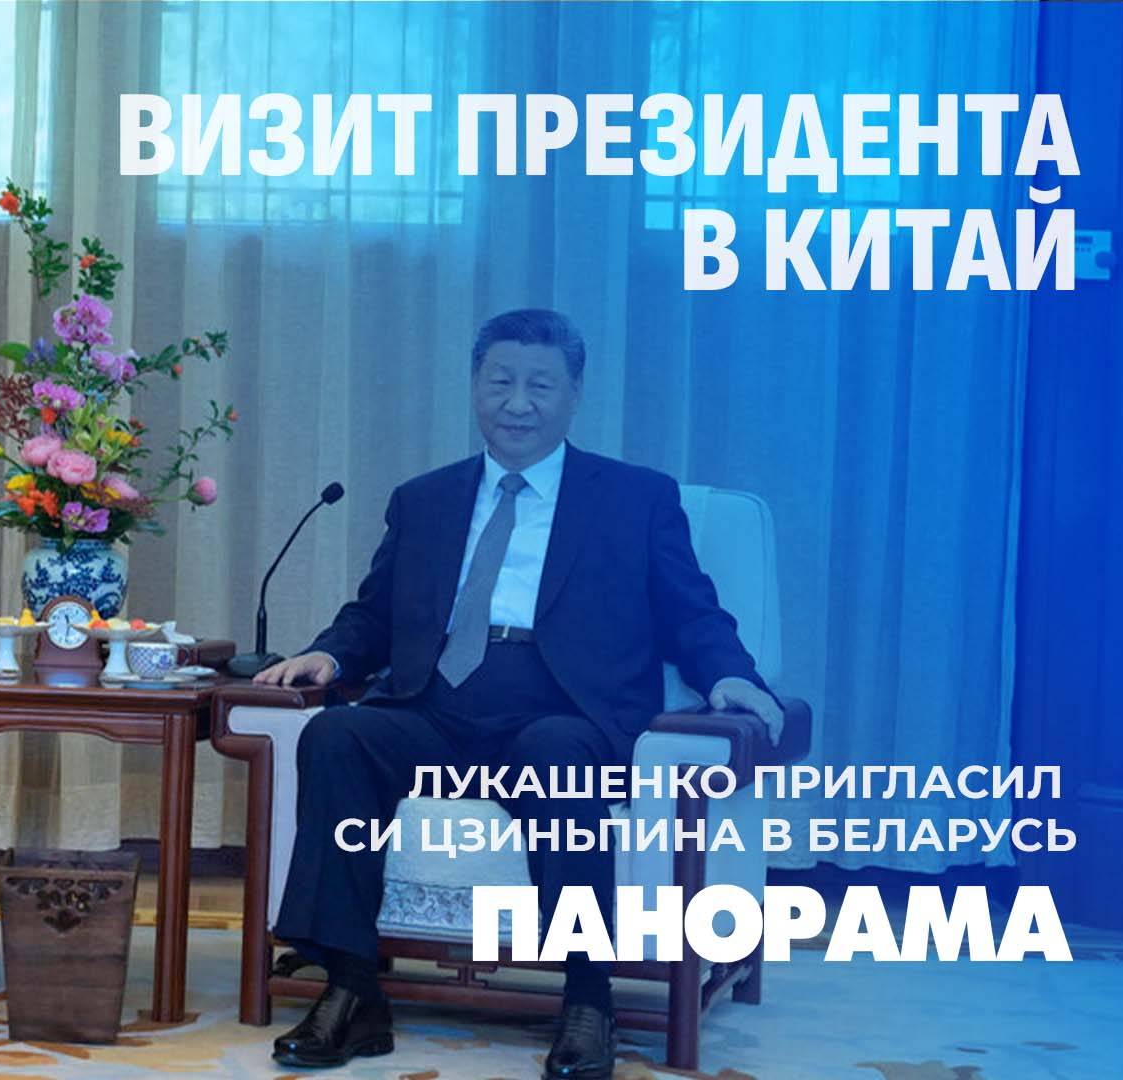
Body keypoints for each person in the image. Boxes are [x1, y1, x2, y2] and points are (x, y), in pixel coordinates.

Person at [254, 308, 783, 1080]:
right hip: (437, 710)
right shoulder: (425, 499)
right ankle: (353, 988)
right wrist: (330, 654)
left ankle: (588, 1001)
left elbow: (691, 612)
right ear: (476, 386)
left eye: (540, 385)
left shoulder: (634, 498)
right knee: (337, 735)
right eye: (500, 381)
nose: (517, 402)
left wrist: (731, 674)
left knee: (558, 754)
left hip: (562, 710)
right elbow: (374, 614)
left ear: (574, 395)